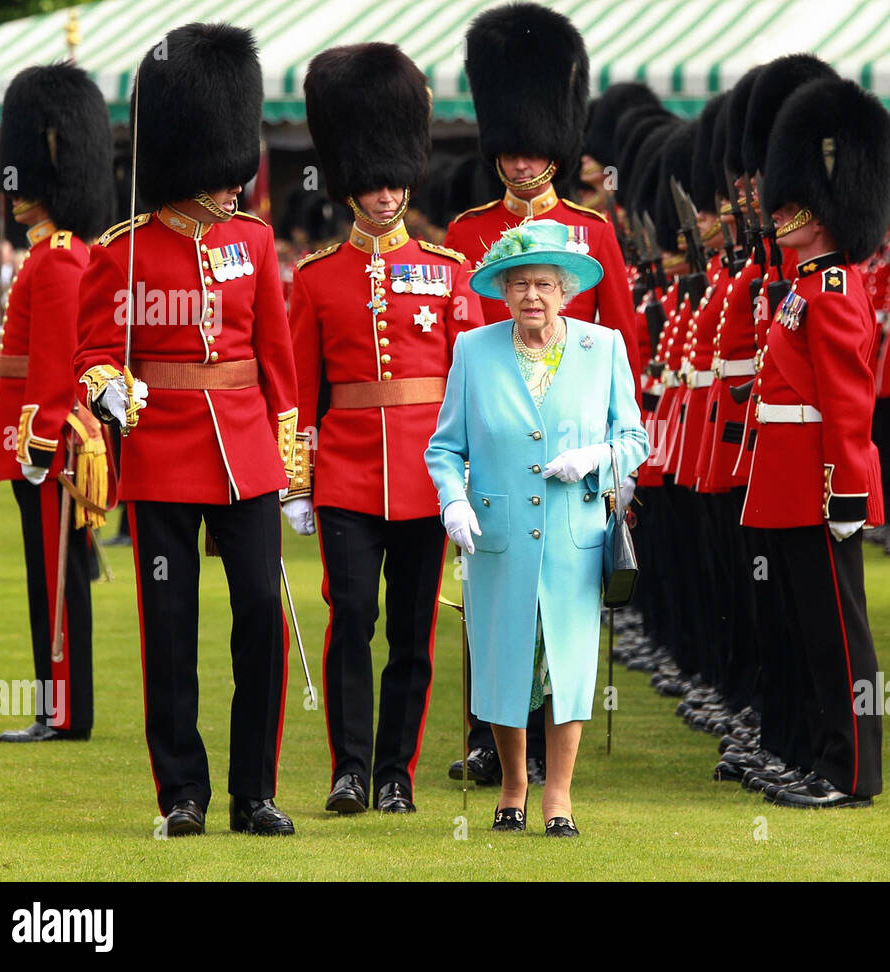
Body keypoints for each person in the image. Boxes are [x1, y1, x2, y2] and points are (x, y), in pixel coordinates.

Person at [73, 22, 299, 838]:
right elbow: (94, 350)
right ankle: (183, 793)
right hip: (163, 451)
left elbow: (276, 359)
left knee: (259, 625)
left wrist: (291, 451)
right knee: (170, 635)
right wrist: (108, 393)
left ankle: (255, 791)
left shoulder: (254, 241)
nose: (239, 182)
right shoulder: (121, 253)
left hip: (243, 454)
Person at [440, 0, 641, 785]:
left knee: (558, 619)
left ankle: (548, 772)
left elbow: (622, 336)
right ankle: (489, 742)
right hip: (489, 453)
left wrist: (617, 465)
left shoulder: (592, 232)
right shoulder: (466, 233)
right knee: (487, 611)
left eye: (533, 151)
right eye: (510, 152)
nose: (521, 164)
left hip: (573, 454)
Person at [287, 42, 483, 816]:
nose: (384, 193)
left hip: (429, 476)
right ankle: (350, 770)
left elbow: (467, 389)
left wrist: (467, 477)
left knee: (410, 630)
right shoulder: (317, 276)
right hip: (345, 474)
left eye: (395, 178)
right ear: (348, 184)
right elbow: (301, 392)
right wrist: (296, 482)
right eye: (371, 181)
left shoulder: (449, 269)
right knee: (353, 618)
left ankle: (396, 771)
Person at [425, 219, 648, 836]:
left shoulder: (602, 348)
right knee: (505, 662)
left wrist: (596, 457)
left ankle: (560, 797)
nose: (532, 297)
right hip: (496, 538)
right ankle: (512, 786)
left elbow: (635, 439)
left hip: (574, 538)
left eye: (544, 285)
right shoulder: (475, 350)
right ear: (503, 290)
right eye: (520, 284)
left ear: (565, 289)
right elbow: (444, 448)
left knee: (569, 666)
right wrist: (453, 502)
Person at [740, 73, 890, 810]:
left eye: (795, 203)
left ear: (828, 211)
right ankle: (818, 757)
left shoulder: (833, 290)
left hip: (818, 480)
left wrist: (847, 490)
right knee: (811, 635)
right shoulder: (807, 286)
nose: (779, 214)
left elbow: (847, 403)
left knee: (840, 637)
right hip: (788, 478)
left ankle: (852, 771)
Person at [0, 62, 114, 742]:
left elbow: (55, 366)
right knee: (54, 574)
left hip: (45, 447)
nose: (15, 192)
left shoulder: (56, 259)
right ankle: (60, 708)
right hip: (41, 436)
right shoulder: (50, 254)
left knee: (54, 579)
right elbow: (26, 359)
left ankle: (63, 712)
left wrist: (41, 443)